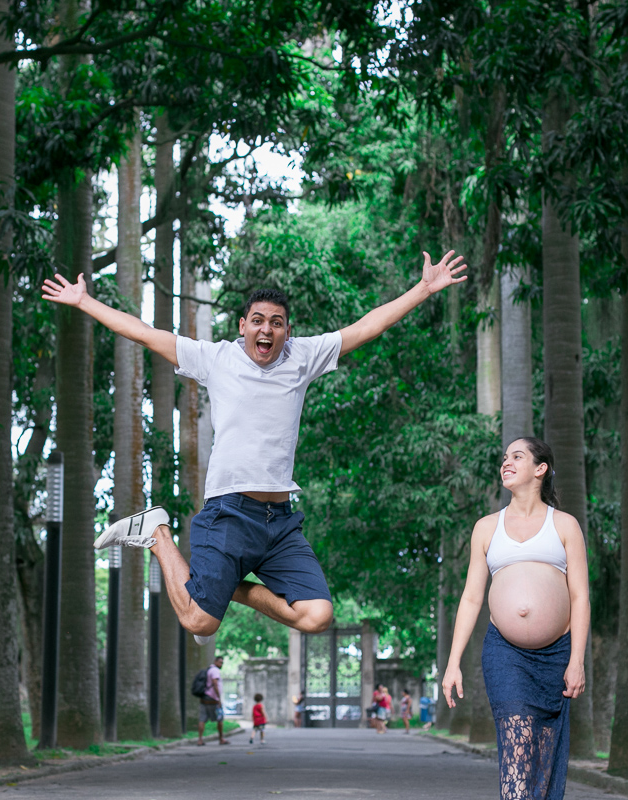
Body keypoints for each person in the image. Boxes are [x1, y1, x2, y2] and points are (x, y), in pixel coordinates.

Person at [42, 252, 466, 644]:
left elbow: (367, 326)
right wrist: (84, 302)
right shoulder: (216, 358)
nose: (267, 329)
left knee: (317, 615)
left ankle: (224, 587)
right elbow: (144, 333)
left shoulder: (304, 356)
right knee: (199, 622)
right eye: (258, 320)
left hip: (279, 522)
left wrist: (424, 289)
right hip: (229, 512)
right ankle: (157, 534)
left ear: (286, 330)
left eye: (277, 322)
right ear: (243, 325)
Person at [441, 437, 589, 800]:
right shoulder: (487, 527)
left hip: (557, 655)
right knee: (516, 746)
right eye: (505, 457)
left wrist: (577, 661)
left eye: (517, 456)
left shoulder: (565, 525)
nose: (506, 462)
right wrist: (453, 662)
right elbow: (472, 597)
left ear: (541, 469)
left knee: (543, 754)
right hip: (505, 654)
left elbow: (580, 597)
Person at [198, 655, 228, 746]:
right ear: (215, 662)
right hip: (213, 699)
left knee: (202, 719)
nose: (221, 664)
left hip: (204, 698)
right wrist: (218, 698)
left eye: (222, 663)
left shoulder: (209, 670)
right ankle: (221, 739)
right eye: (220, 662)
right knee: (220, 719)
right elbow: (215, 683)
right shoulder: (215, 671)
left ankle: (200, 740)